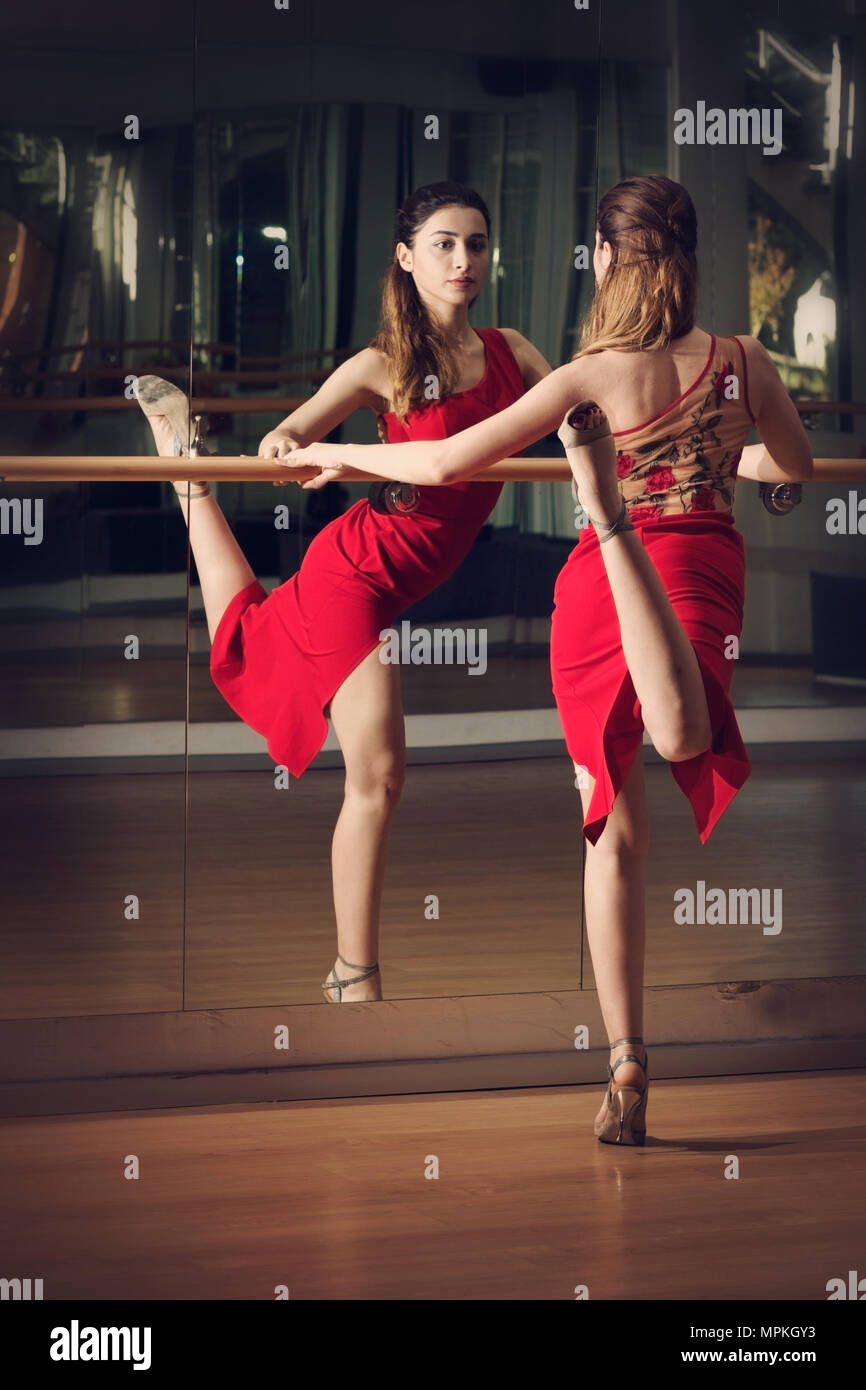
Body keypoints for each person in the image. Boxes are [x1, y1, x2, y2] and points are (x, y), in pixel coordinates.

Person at [283, 174, 814, 1141]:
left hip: (600, 585)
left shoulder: (586, 373)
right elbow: (797, 464)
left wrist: (351, 459)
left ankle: (626, 1059)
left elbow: (446, 462)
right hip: (698, 562)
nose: (466, 262)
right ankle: (626, 1064)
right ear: (688, 258)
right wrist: (726, 459)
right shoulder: (746, 360)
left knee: (621, 813)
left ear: (605, 261)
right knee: (651, 766)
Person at [134, 181, 552, 1005]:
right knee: (382, 774)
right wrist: (303, 444)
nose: (463, 259)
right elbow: (284, 435)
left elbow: (582, 413)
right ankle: (352, 975)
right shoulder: (383, 363)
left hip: (400, 574)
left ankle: (183, 468)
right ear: (407, 257)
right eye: (443, 243)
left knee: (252, 629)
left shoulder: (513, 352)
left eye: (475, 242)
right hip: (357, 568)